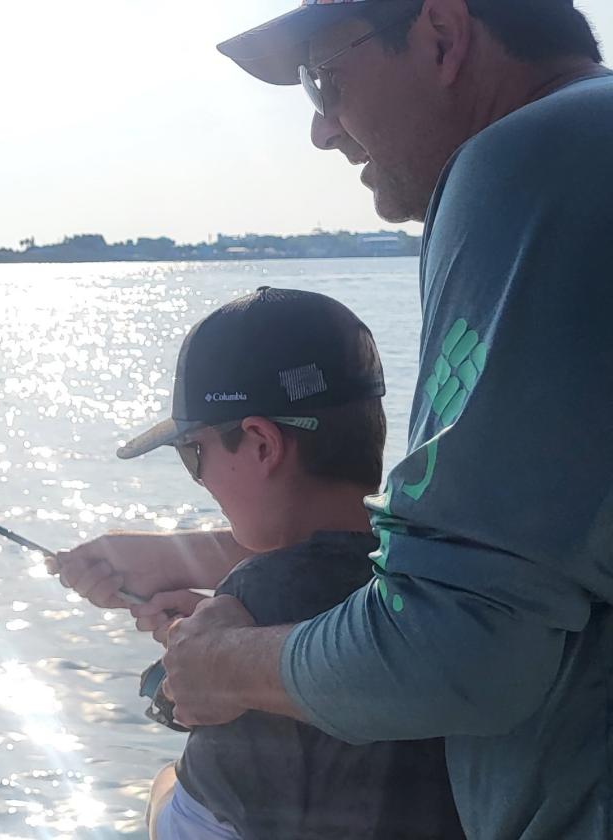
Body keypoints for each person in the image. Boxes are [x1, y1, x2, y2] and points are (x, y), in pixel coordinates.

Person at [56, 1, 613, 837]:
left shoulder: (527, 159)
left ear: (440, 34)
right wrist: (212, 571)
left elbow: (462, 644)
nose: (322, 129)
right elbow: (534, 558)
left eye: (326, 79)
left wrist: (224, 668)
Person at [114, 287, 463, 839]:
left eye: (193, 452)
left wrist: (165, 782)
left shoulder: (254, 603)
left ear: (260, 443)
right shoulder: (452, 574)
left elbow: (190, 828)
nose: (199, 477)